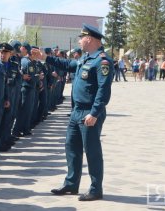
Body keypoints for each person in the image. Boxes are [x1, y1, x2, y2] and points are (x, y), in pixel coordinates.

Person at [32, 23, 113, 201]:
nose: (79, 40)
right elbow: (68, 64)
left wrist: (95, 113)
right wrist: (45, 57)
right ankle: (71, 183)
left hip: (89, 112)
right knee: (71, 147)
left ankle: (95, 188)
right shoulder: (86, 58)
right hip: (76, 111)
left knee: (92, 151)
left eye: (81, 37)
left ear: (89, 39)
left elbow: (103, 90)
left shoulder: (102, 61)